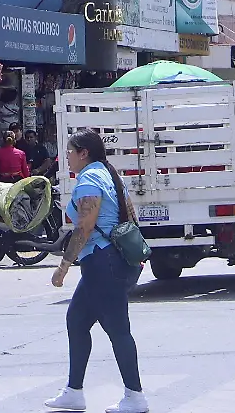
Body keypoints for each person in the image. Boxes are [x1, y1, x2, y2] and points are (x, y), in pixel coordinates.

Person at [47, 130, 146, 413]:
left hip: (103, 261)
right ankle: (73, 391)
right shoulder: (109, 172)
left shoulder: (90, 178)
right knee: (77, 320)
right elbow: (131, 215)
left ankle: (135, 396)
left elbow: (85, 226)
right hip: (112, 259)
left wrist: (64, 265)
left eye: (69, 151)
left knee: (118, 329)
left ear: (83, 153)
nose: (65, 156)